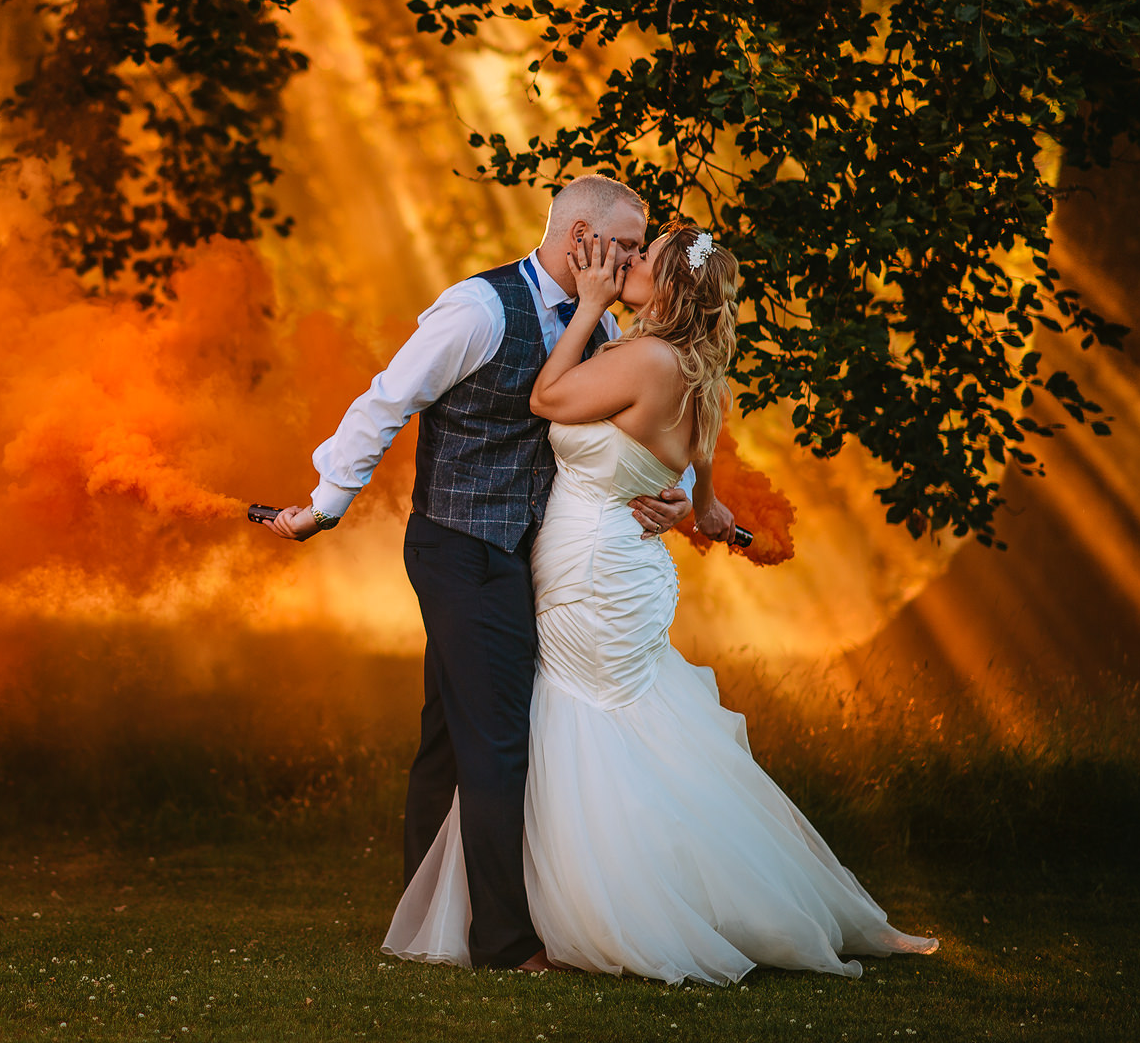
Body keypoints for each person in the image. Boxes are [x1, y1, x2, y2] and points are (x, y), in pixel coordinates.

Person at [381, 222, 942, 982]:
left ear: (672, 287)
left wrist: (585, 302)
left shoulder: (642, 355)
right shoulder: (693, 372)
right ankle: (641, 898)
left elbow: (547, 398)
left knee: (578, 725)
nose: (628, 262)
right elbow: (704, 504)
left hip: (593, 572)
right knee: (636, 731)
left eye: (644, 259)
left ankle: (595, 910)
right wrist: (688, 506)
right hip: (624, 570)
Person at [265, 175, 694, 971]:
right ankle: (503, 942)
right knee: (500, 741)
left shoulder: (602, 329)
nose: (638, 263)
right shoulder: (479, 309)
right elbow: (386, 400)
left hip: (528, 556)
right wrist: (327, 503)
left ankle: (423, 916)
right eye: (628, 246)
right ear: (581, 240)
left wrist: (678, 495)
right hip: (460, 548)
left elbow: (651, 421)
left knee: (450, 739)